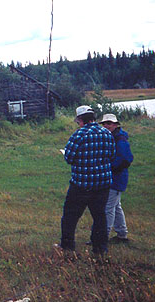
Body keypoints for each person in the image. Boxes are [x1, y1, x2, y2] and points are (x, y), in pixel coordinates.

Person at [57, 105, 115, 254]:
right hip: (102, 185)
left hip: (81, 185)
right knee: (99, 216)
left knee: (70, 216)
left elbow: (69, 158)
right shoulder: (107, 134)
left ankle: (67, 246)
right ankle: (100, 248)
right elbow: (111, 155)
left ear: (81, 120)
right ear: (93, 118)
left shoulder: (79, 135)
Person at [100, 113, 134, 243]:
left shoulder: (120, 139)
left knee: (107, 208)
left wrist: (110, 167)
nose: (106, 126)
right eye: (104, 124)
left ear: (115, 124)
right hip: (114, 177)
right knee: (116, 206)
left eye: (109, 123)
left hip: (116, 178)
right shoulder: (112, 137)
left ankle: (103, 237)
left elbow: (126, 159)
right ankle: (122, 234)